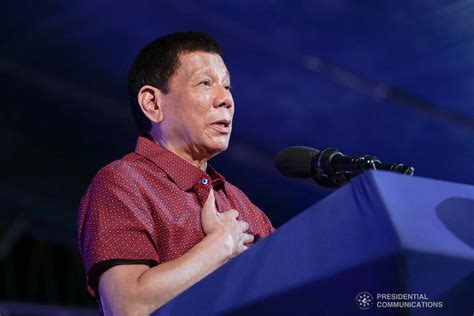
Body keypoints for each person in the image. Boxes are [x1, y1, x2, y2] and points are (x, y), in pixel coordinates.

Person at [77, 31, 275, 315]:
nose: (226, 99)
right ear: (153, 104)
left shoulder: (242, 206)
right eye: (206, 83)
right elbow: (128, 306)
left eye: (228, 86)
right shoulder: (122, 184)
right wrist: (219, 248)